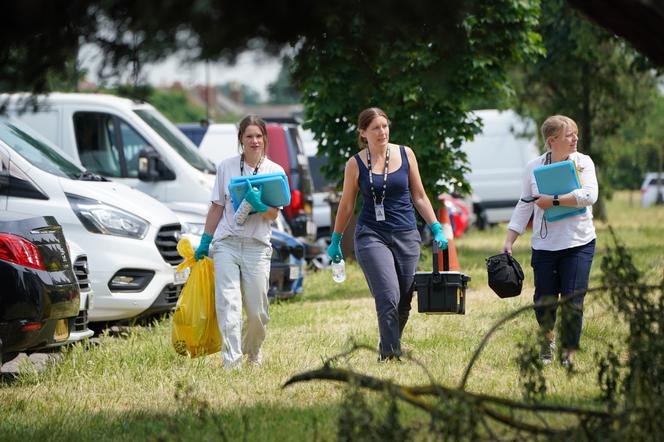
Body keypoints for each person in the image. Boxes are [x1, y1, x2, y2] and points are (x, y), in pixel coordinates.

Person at [327, 107, 448, 361]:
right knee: (388, 295)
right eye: (375, 128)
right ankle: (390, 355)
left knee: (404, 301)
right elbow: (347, 205)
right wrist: (336, 240)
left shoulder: (406, 154)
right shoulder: (355, 163)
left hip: (406, 233)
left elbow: (419, 195)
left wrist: (435, 226)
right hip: (372, 235)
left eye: (384, 126)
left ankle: (389, 343)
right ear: (363, 133)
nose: (382, 132)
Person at [502, 115, 598, 369]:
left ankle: (568, 353)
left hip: (579, 242)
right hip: (545, 246)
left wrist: (553, 200)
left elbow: (589, 195)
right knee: (543, 301)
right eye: (569, 135)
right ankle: (548, 341)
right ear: (552, 140)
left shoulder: (583, 162)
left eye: (576, 133)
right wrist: (510, 238)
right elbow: (525, 204)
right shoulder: (533, 167)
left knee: (572, 301)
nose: (575, 138)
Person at [195, 115, 284, 369]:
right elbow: (216, 207)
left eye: (259, 136)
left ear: (265, 139)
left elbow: (274, 214)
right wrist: (206, 241)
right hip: (227, 244)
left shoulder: (274, 171)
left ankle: (252, 351)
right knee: (229, 303)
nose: (254, 141)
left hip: (257, 246)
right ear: (241, 140)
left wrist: (259, 205)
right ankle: (231, 361)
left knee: (257, 312)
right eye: (249, 136)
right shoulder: (226, 167)